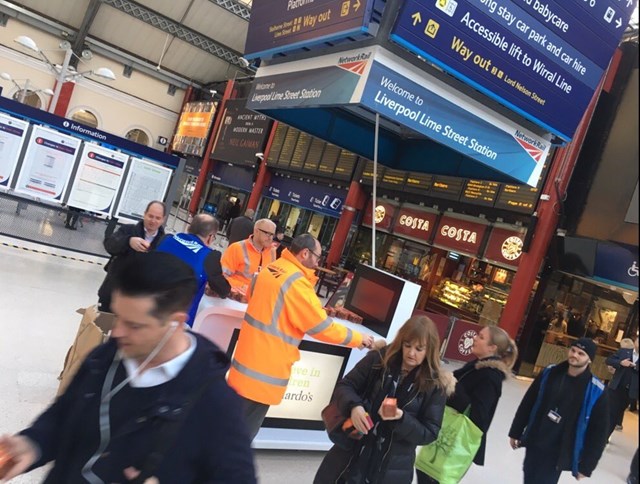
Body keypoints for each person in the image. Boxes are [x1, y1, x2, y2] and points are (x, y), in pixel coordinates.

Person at [0, 252, 256, 483]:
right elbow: (63, 415)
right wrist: (33, 444)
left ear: (175, 323)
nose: (117, 332)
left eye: (134, 325)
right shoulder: (105, 358)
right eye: (118, 317)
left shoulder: (217, 406)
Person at [227, 233, 375, 440]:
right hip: (265, 372)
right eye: (317, 256)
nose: (318, 261)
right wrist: (359, 338)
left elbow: (252, 297)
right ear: (305, 253)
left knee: (228, 427)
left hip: (243, 363)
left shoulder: (271, 267)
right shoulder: (297, 284)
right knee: (239, 439)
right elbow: (322, 327)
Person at [314, 316, 454, 484]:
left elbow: (429, 433)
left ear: (429, 350)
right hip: (350, 453)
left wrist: (402, 419)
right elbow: (345, 385)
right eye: (407, 345)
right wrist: (355, 407)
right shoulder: (378, 360)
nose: (411, 353)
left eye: (419, 349)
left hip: (392, 469)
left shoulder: (435, 385)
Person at [416, 326, 518, 483]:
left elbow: (478, 416)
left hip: (455, 439)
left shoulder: (490, 376)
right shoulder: (477, 367)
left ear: (492, 348)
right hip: (445, 433)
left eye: (481, 337)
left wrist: (452, 385)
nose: (475, 338)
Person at [509, 338, 609, 484]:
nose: (574, 355)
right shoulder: (550, 373)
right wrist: (515, 431)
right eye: (573, 350)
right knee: (529, 476)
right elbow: (528, 402)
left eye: (581, 353)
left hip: (559, 449)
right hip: (536, 439)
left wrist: (587, 466)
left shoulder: (596, 391)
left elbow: (599, 433)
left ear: (589, 360)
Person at [156, 213, 230, 326]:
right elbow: (223, 290)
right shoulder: (209, 256)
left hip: (147, 306)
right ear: (210, 237)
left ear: (189, 227)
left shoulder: (167, 238)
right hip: (175, 320)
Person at [97, 200, 166, 312]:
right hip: (112, 294)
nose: (153, 221)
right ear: (144, 214)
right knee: (100, 327)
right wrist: (128, 241)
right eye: (150, 216)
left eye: (157, 218)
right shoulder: (128, 230)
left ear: (163, 219)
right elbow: (109, 245)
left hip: (136, 303)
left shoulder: (164, 242)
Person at [221, 218, 277, 290]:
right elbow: (223, 275)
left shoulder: (271, 252)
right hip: (236, 297)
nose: (270, 238)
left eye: (272, 235)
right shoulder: (237, 248)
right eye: (267, 234)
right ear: (256, 231)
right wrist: (242, 287)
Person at [605, 336, 638, 436]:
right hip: (616, 387)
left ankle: (606, 435)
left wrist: (636, 367)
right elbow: (609, 360)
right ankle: (603, 436)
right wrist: (620, 363)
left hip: (630, 391)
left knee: (618, 413)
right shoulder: (624, 352)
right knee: (610, 411)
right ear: (635, 342)